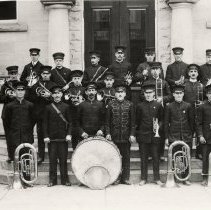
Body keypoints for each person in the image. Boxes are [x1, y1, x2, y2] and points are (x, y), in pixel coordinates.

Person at [105, 82, 136, 185]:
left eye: (122, 92)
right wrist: (108, 133)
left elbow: (133, 122)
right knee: (114, 158)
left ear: (125, 94)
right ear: (115, 94)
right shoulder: (110, 105)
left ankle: (125, 178)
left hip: (126, 136)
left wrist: (132, 134)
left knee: (126, 158)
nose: (120, 94)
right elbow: (107, 121)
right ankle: (116, 177)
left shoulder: (130, 104)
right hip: (114, 136)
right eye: (118, 92)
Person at [164, 85, 194, 185]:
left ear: (183, 94)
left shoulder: (188, 106)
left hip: (186, 135)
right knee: (175, 157)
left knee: (186, 156)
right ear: (173, 94)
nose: (178, 95)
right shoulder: (169, 106)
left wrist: (191, 134)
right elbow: (166, 123)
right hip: (174, 135)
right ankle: (175, 177)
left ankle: (185, 177)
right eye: (176, 93)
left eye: (180, 93)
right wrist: (167, 137)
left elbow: (191, 122)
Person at [43, 85, 72, 187]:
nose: (57, 95)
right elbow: (45, 123)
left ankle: (65, 180)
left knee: (63, 160)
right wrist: (46, 136)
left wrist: (69, 134)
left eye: (59, 93)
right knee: (52, 160)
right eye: (55, 93)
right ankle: (52, 180)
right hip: (52, 139)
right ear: (52, 95)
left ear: (62, 94)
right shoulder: (48, 107)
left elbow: (70, 123)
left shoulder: (66, 107)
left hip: (63, 138)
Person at [136, 83, 164, 186]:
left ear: (154, 93)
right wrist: (137, 134)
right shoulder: (139, 106)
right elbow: (137, 121)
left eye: (150, 93)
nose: (148, 95)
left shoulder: (158, 105)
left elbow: (162, 120)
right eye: (146, 93)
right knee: (143, 158)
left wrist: (158, 127)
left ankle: (157, 178)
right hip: (143, 136)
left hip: (155, 136)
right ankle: (143, 178)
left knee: (156, 158)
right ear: (144, 94)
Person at [31, 65, 56, 164]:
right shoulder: (36, 85)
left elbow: (58, 99)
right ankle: (41, 156)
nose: (45, 75)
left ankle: (53, 156)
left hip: (51, 114)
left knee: (52, 135)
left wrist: (49, 96)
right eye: (44, 74)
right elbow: (30, 98)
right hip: (40, 114)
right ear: (41, 74)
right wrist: (38, 95)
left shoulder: (54, 85)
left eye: (47, 74)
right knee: (41, 135)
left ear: (50, 74)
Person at [4, 81, 34, 163]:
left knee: (26, 160)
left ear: (25, 92)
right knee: (15, 161)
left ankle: (26, 176)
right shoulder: (9, 106)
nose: (20, 92)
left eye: (22, 90)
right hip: (14, 137)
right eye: (18, 90)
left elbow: (33, 120)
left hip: (26, 137)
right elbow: (6, 122)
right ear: (15, 91)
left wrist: (28, 131)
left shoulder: (30, 105)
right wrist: (11, 134)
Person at [183, 64, 204, 159]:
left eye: (195, 72)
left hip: (199, 112)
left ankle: (199, 152)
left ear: (198, 73)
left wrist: (202, 103)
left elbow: (206, 99)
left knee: (200, 132)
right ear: (188, 73)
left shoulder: (201, 86)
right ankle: (189, 152)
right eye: (191, 72)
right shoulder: (184, 85)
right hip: (188, 113)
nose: (193, 73)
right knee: (189, 132)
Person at [0, 66, 19, 162]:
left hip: (18, 113)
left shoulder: (21, 85)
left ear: (17, 74)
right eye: (11, 74)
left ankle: (19, 154)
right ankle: (11, 156)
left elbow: (26, 97)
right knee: (8, 136)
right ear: (9, 75)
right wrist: (8, 95)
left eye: (15, 73)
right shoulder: (4, 86)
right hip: (7, 114)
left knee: (19, 135)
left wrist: (16, 96)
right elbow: (0, 99)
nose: (13, 76)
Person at [64, 70, 85, 149]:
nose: (76, 80)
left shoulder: (84, 89)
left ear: (81, 79)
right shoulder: (69, 89)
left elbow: (86, 101)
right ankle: (74, 150)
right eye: (75, 78)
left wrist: (81, 101)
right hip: (72, 112)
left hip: (82, 113)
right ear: (72, 79)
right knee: (74, 132)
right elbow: (66, 100)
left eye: (78, 78)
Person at [196, 84, 211, 186]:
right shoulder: (202, 107)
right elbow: (198, 123)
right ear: (207, 95)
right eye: (210, 93)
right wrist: (200, 135)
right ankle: (205, 177)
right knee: (205, 157)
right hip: (206, 137)